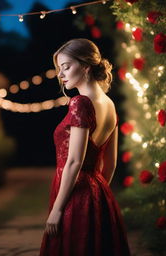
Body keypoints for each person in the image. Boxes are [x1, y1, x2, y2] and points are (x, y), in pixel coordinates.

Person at [39, 38, 131, 256]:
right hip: (98, 192)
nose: (61, 75)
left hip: (76, 193)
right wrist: (96, 196)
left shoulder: (80, 103)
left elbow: (74, 161)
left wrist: (58, 209)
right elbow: (111, 163)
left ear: (86, 66)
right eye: (59, 69)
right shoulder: (109, 104)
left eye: (66, 67)